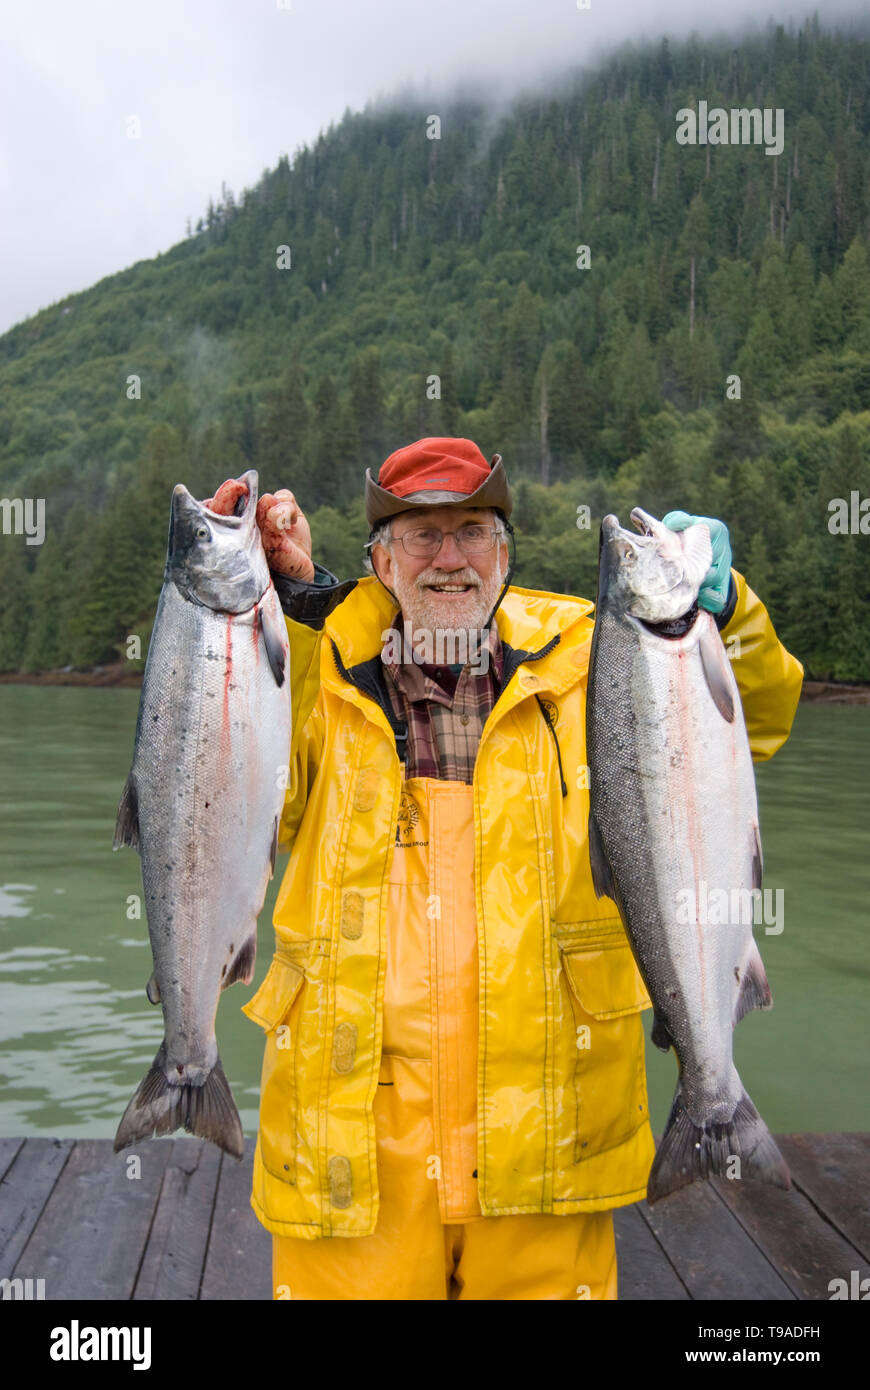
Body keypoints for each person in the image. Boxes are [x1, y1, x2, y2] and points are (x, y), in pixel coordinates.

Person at [208, 437, 803, 1300]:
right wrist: (287, 595)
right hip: (349, 1145)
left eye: (473, 532)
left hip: (546, 1136)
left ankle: (713, 1099)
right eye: (422, 535)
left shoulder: (602, 655)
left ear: (505, 553)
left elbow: (762, 717)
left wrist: (730, 608)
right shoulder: (319, 675)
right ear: (380, 562)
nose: (450, 558)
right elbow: (242, 773)